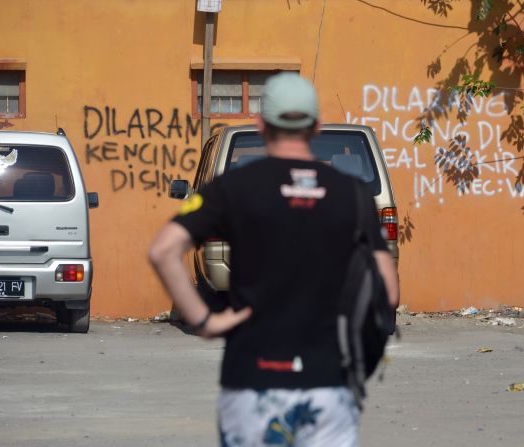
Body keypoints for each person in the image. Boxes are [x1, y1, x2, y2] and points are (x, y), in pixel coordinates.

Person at [148, 72, 399, 447]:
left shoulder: (232, 188)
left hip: (252, 380)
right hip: (329, 382)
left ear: (261, 124)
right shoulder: (354, 194)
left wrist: (205, 321)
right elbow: (388, 290)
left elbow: (163, 250)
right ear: (316, 127)